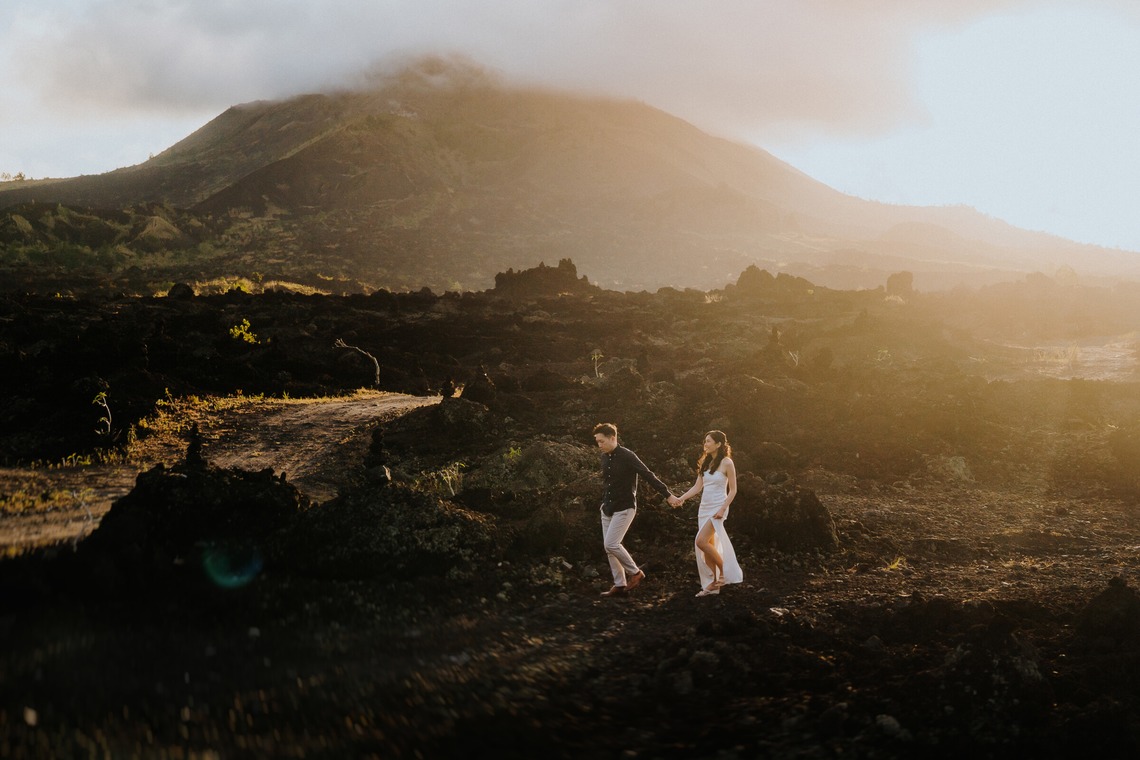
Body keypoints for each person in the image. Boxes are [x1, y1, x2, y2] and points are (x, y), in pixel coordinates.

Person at [593, 422, 675, 597]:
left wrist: (667, 495)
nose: (599, 445)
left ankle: (636, 573)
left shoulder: (628, 456)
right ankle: (620, 584)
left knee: (612, 543)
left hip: (625, 507)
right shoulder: (604, 458)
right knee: (609, 548)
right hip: (607, 508)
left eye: (602, 441)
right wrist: (603, 504)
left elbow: (648, 474)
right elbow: (608, 484)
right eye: (597, 442)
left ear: (612, 438)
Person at [669, 430, 743, 596]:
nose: (705, 444)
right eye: (705, 441)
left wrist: (723, 508)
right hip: (704, 508)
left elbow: (733, 490)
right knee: (706, 546)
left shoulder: (727, 462)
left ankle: (725, 572)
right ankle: (714, 584)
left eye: (709, 441)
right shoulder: (705, 463)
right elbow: (697, 487)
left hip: (718, 507)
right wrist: (681, 498)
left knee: (700, 541)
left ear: (718, 444)